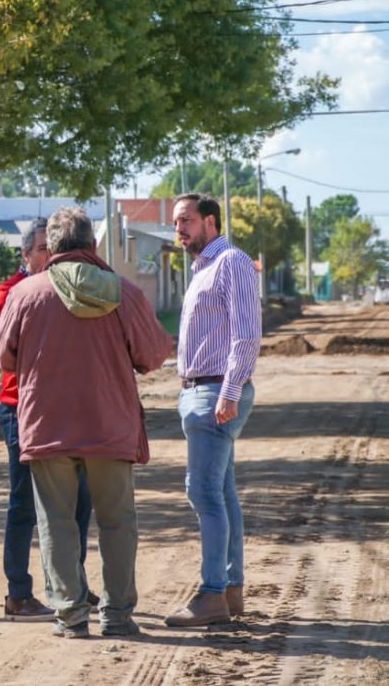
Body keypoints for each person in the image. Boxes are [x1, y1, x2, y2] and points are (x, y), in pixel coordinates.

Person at [0, 207, 171, 638]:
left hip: (47, 424)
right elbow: (152, 356)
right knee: (117, 522)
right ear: (93, 246)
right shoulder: (124, 293)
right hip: (110, 424)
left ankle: (71, 616)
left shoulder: (25, 294)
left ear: (50, 247)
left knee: (56, 521)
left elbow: (3, 357)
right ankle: (118, 616)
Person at [0, 219, 95, 620]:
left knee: (80, 499)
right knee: (24, 502)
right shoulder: (10, 291)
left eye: (51, 248)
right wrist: (15, 329)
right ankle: (18, 594)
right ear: (25, 255)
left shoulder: (70, 288)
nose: (47, 255)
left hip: (66, 407)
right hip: (19, 407)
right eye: (41, 248)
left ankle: (74, 585)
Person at [164, 193, 260, 627]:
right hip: (202, 390)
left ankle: (212, 594)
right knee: (221, 492)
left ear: (210, 221)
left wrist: (230, 390)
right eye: (175, 222)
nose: (178, 229)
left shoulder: (231, 262)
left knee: (202, 492)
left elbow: (246, 335)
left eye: (185, 220)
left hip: (215, 391)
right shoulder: (203, 268)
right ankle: (230, 589)